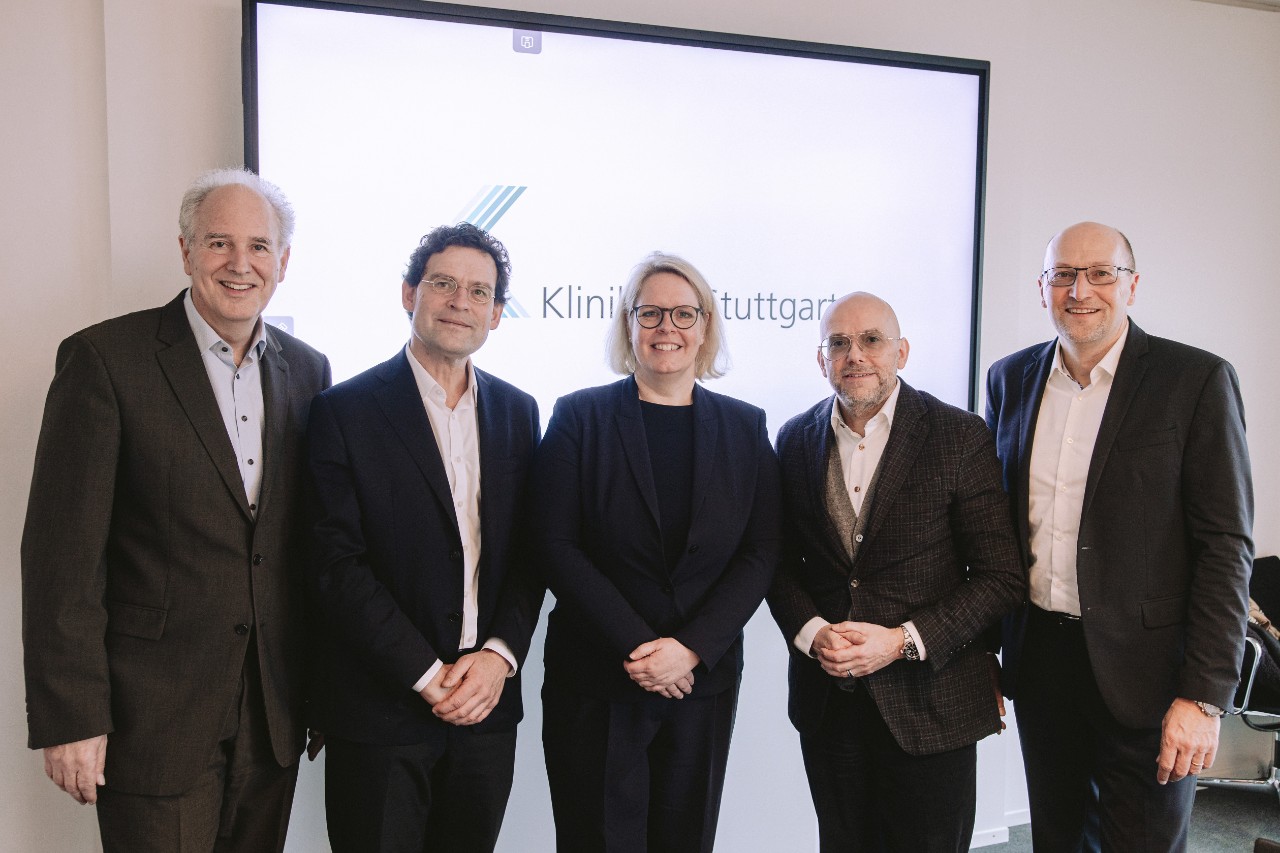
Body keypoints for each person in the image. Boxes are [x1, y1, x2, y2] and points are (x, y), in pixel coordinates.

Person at [20, 168, 331, 851]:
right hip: (151, 713)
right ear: (186, 251)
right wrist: (72, 715)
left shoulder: (309, 371)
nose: (239, 263)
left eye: (258, 246)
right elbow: (61, 557)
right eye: (219, 243)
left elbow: (301, 544)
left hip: (272, 709)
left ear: (283, 261)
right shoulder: (106, 360)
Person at [985, 221, 1254, 852]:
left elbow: (1225, 546)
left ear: (1133, 285)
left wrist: (1203, 697)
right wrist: (985, 652)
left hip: (1153, 675)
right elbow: (995, 529)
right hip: (1043, 661)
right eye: (1063, 276)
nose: (1081, 291)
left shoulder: (1195, 381)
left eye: (1101, 273)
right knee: (1056, 837)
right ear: (1042, 288)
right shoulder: (1010, 380)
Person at [532, 252, 780, 853]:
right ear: (627, 325)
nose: (666, 327)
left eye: (683, 313)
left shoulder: (745, 428)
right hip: (597, 679)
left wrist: (690, 650)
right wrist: (641, 647)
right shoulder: (579, 417)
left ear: (706, 326)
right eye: (650, 313)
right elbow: (553, 544)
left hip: (702, 683)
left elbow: (761, 551)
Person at [306, 223, 542, 853]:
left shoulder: (519, 413)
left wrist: (498, 656)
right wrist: (425, 673)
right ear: (409, 294)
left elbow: (529, 555)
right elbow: (336, 566)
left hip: (487, 709)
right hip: (383, 709)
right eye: (443, 283)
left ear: (496, 315)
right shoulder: (344, 411)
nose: (459, 301)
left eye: (478, 291)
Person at [767, 291, 1024, 852]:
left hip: (933, 704)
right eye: (839, 343)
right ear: (821, 359)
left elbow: (1000, 575)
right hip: (830, 704)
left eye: (871, 340)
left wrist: (902, 642)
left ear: (901, 352)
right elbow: (779, 563)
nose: (854, 354)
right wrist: (814, 634)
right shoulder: (793, 439)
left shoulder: (959, 435)